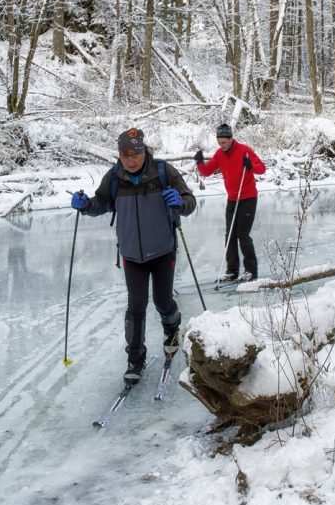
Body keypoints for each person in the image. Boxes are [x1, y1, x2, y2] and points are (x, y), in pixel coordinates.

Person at [71, 128, 196, 384]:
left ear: (143, 151)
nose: (130, 160)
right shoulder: (115, 177)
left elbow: (189, 202)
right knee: (135, 307)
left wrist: (180, 203)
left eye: (135, 154)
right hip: (131, 255)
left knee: (163, 301)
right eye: (125, 155)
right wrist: (85, 206)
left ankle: (171, 331)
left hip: (162, 250)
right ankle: (135, 359)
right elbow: (102, 203)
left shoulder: (163, 172)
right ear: (119, 154)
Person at [194, 123, 266, 282]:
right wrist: (199, 162)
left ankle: (251, 271)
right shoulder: (219, 154)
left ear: (231, 138)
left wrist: (250, 166)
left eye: (224, 142)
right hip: (232, 199)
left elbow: (262, 168)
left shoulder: (244, 150)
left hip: (248, 197)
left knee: (242, 234)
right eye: (219, 143)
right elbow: (206, 171)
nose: (222, 145)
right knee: (230, 235)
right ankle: (232, 271)